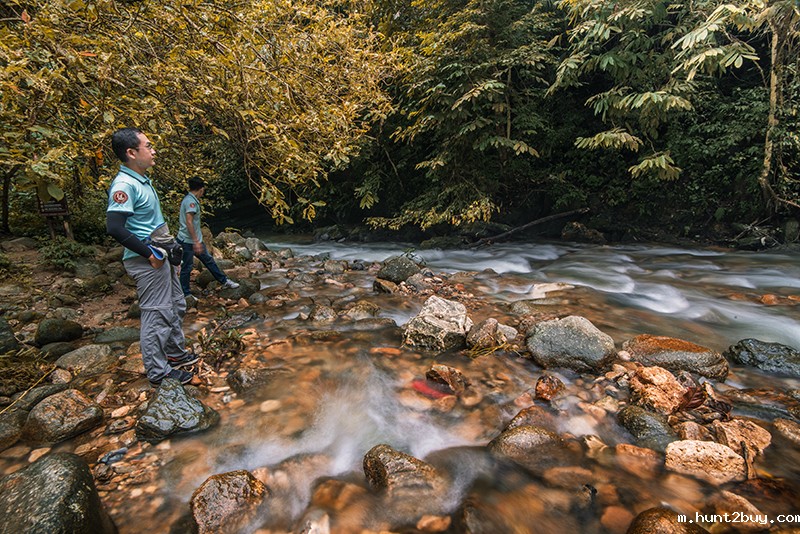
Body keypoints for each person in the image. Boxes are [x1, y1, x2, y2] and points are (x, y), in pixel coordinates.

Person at [106, 127, 199, 387]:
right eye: (148, 146)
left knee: (177, 305)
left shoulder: (141, 180)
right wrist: (150, 254)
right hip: (148, 259)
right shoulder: (124, 185)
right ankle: (158, 373)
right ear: (132, 152)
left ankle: (175, 353)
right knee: (156, 314)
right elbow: (114, 227)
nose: (153, 150)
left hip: (161, 255)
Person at [177, 177, 239, 298]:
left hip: (193, 240)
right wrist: (196, 242)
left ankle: (224, 281)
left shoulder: (189, 199)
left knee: (209, 261)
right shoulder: (191, 202)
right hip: (188, 241)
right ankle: (186, 294)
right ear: (201, 189)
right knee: (187, 267)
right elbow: (189, 222)